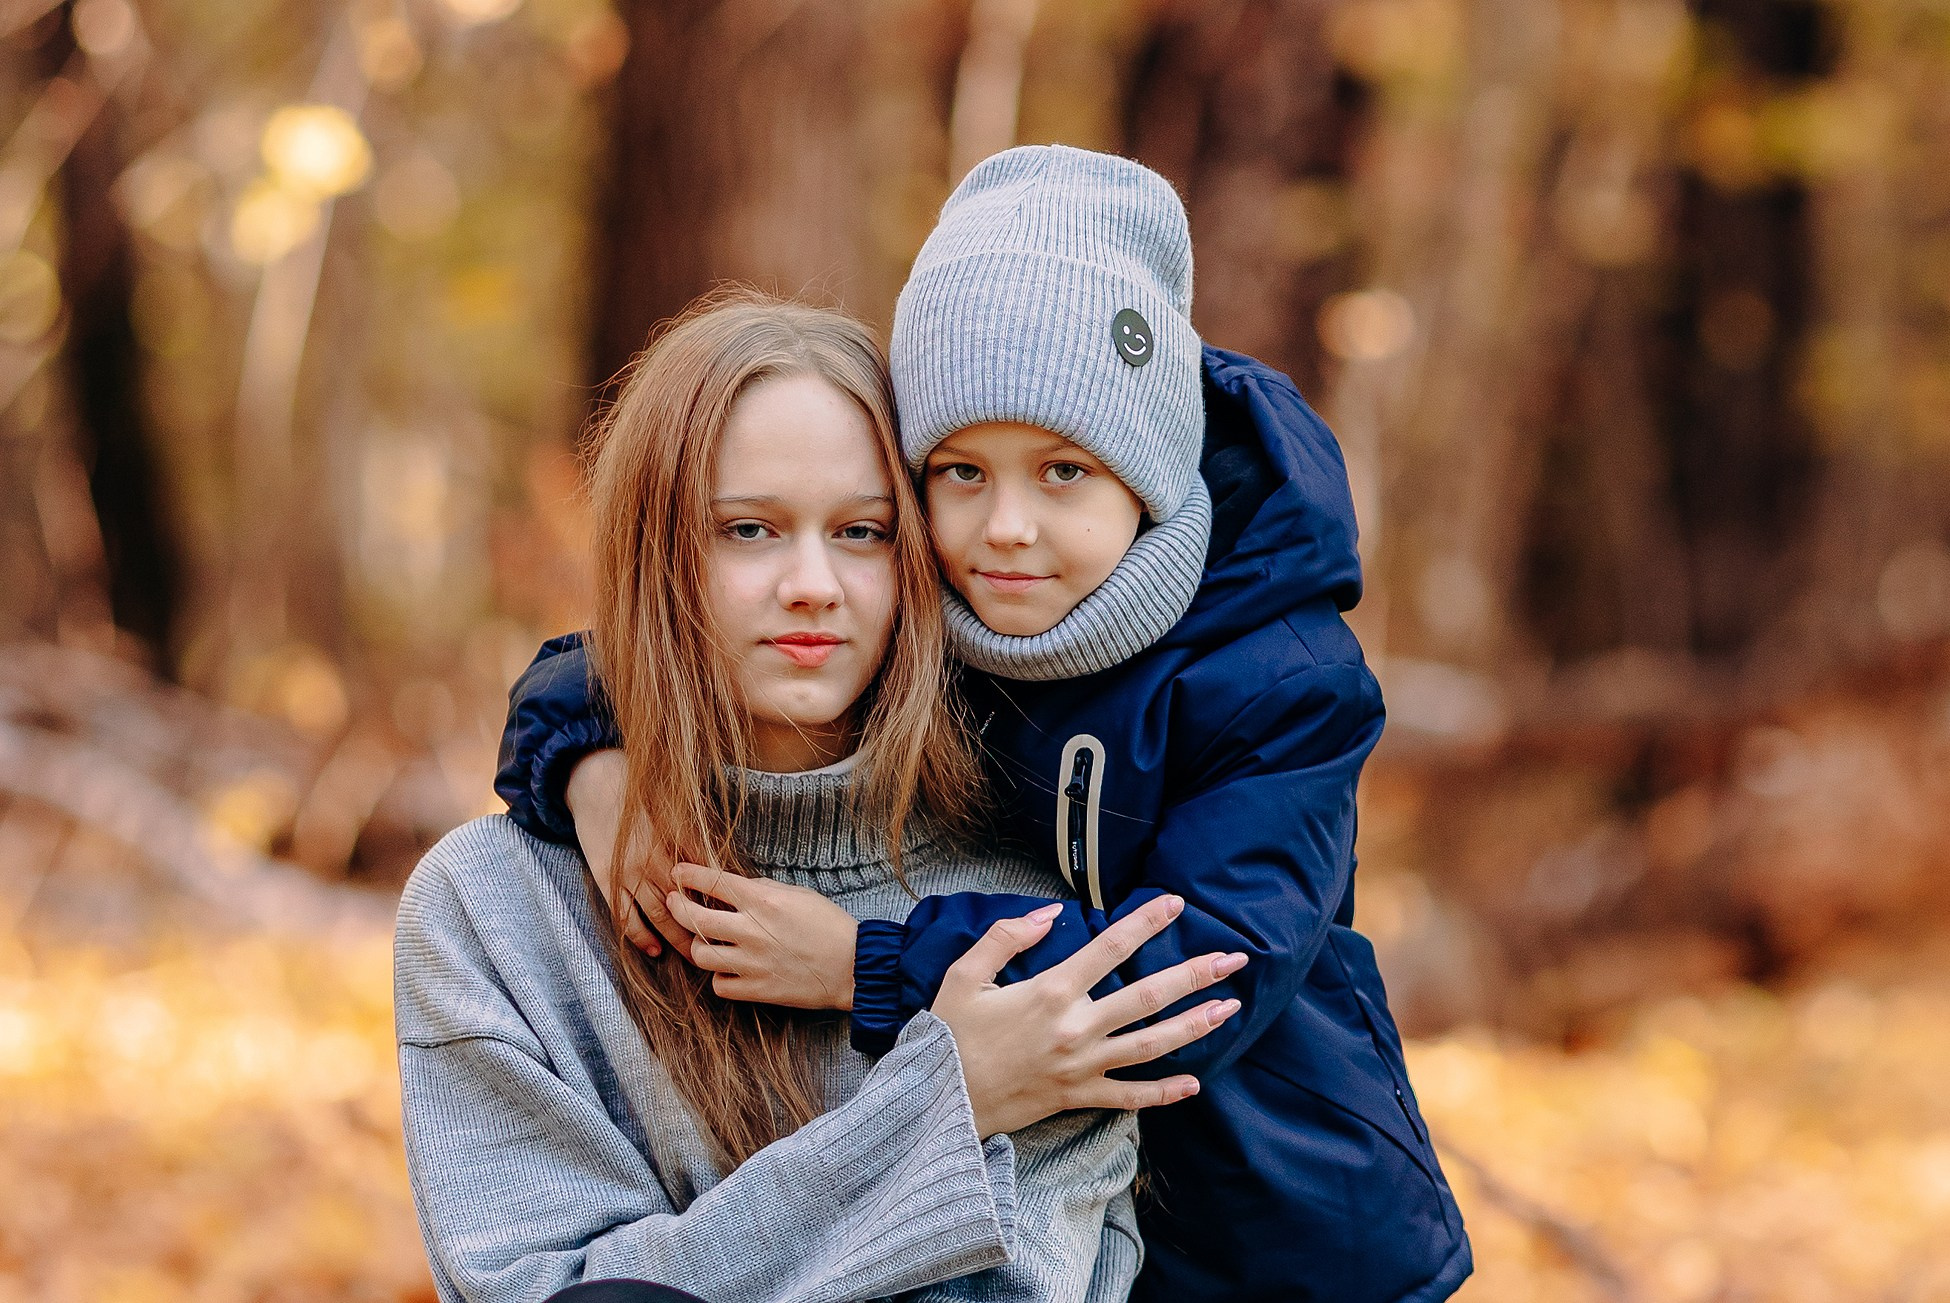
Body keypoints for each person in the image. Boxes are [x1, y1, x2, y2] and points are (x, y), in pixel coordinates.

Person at [497, 147, 1472, 1301]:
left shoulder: (1280, 681)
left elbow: (1197, 976)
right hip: (1066, 1213)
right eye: (961, 471)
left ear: (1147, 471)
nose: (1005, 527)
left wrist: (865, 962)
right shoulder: (938, 621)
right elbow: (636, 653)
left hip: (1278, 1218)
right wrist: (604, 764)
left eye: (1063, 471)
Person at [396, 293, 1241, 1303]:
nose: (812, 584)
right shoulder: (493, 909)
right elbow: (549, 1290)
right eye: (749, 530)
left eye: (862, 532)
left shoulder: (1022, 934)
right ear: (656, 555)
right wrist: (947, 1103)